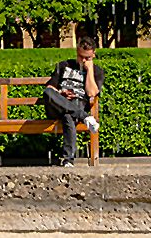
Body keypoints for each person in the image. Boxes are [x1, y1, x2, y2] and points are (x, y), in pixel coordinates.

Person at [41, 36, 104, 168]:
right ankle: (85, 117)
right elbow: (50, 88)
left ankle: (68, 160)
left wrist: (90, 70)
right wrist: (60, 93)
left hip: (77, 104)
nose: (84, 60)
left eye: (88, 58)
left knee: (68, 115)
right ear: (77, 51)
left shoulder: (97, 71)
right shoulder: (63, 65)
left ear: (94, 54)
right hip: (58, 105)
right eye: (81, 57)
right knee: (48, 93)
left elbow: (92, 93)